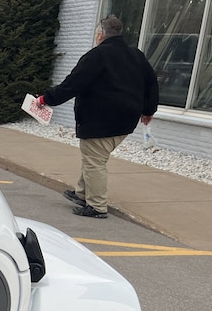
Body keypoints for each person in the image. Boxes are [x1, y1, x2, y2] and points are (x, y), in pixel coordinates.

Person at [37, 15, 159, 218]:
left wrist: (45, 99)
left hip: (101, 119)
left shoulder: (96, 56)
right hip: (126, 120)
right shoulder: (136, 55)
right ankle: (82, 193)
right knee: (94, 156)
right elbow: (151, 83)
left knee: (95, 161)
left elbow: (73, 84)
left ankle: (97, 206)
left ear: (100, 35)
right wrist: (148, 110)